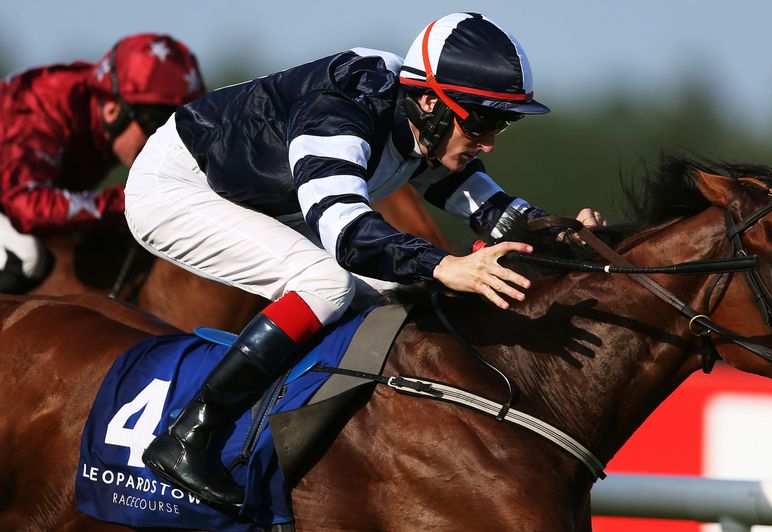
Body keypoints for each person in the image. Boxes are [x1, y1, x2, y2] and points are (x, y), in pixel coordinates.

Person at [129, 12, 602, 510]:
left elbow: (491, 208)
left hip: (257, 198)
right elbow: (347, 234)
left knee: (397, 294)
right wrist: (445, 265)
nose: (488, 142)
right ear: (429, 100)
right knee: (326, 284)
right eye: (481, 121)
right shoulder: (344, 105)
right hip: (178, 187)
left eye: (500, 124)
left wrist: (562, 232)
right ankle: (191, 434)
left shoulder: (424, 124)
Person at [0, 33, 205, 293]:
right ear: (112, 109)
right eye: (155, 125)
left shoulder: (99, 114)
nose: (163, 141)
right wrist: (130, 200)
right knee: (24, 258)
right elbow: (28, 209)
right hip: (14, 204)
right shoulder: (40, 109)